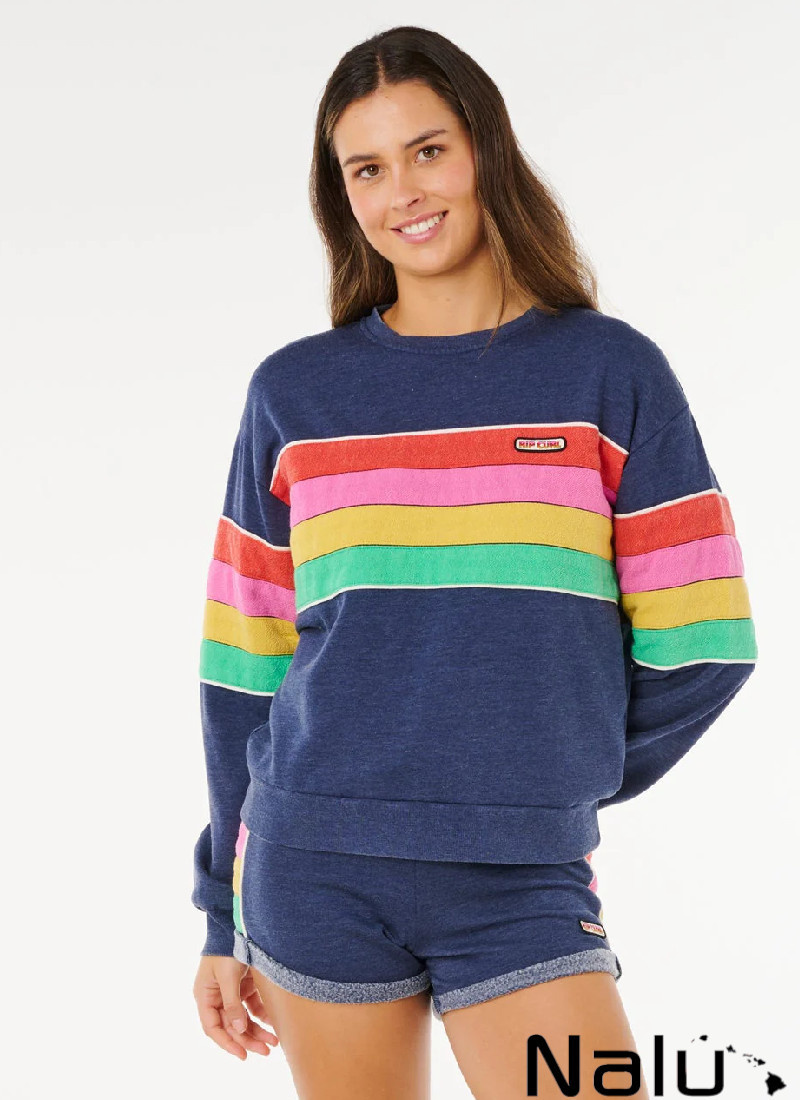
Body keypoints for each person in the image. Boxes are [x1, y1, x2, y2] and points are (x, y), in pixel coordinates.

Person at [190, 24, 758, 1100]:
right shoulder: (294, 395)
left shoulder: (608, 372)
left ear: (484, 148)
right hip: (313, 864)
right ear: (340, 196)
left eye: (427, 150)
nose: (402, 190)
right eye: (366, 168)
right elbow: (244, 665)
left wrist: (540, 776)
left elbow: (706, 640)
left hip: (520, 880)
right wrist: (221, 910)